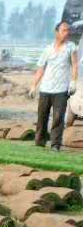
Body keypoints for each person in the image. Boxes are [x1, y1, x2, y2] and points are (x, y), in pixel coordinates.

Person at [30, 19, 79, 151]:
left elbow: (75, 65)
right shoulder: (47, 49)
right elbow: (41, 68)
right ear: (56, 32)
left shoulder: (71, 47)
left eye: (68, 30)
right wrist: (34, 86)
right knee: (42, 116)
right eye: (64, 30)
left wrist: (73, 81)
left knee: (58, 117)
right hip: (45, 88)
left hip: (61, 89)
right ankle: (39, 142)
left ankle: (55, 144)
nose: (67, 33)